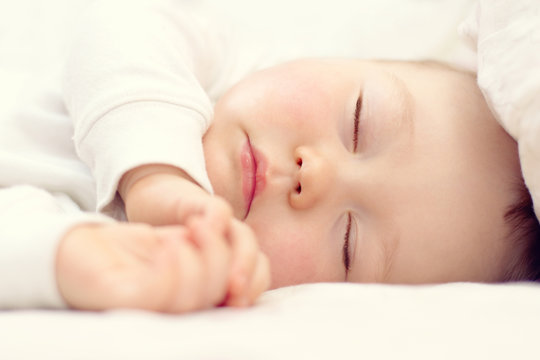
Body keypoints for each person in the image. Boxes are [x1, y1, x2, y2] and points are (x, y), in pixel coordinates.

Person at [0, 0, 538, 313]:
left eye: (349, 244)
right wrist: (155, 176)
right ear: (345, 61)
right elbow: (115, 30)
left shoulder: (179, 272)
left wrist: (66, 262)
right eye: (356, 121)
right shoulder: (216, 67)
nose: (318, 174)